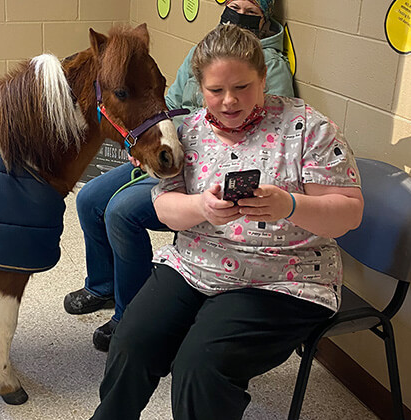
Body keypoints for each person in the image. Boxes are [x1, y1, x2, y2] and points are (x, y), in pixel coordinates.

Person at [90, 23, 364, 420]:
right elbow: (166, 207)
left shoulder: (309, 129)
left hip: (282, 277)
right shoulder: (190, 132)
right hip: (197, 265)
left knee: (200, 367)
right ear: (199, 87)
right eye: (216, 91)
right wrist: (202, 207)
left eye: (243, 87)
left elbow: (349, 213)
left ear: (263, 79)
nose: (229, 101)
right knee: (132, 341)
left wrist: (290, 205)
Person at [64, 0, 294, 352]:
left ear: (266, 17)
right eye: (232, 4)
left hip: (209, 173)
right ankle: (103, 284)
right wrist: (148, 140)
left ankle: (131, 315)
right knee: (90, 198)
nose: (237, 14)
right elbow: (166, 101)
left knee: (120, 212)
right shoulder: (201, 53)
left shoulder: (271, 65)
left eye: (249, 8)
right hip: (172, 150)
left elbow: (267, 134)